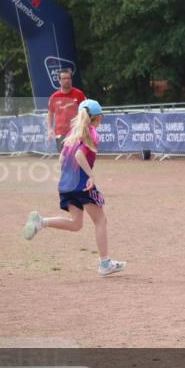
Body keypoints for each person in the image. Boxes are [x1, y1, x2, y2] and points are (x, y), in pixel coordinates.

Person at [24, 99, 127, 277]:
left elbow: (62, 159)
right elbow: (80, 155)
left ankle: (42, 222)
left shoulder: (71, 135)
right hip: (81, 183)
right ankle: (105, 263)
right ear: (97, 118)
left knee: (76, 223)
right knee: (100, 221)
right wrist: (91, 175)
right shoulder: (92, 133)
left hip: (66, 185)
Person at [47, 68, 86, 151]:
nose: (67, 80)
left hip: (76, 131)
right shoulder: (54, 97)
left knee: (77, 156)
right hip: (61, 133)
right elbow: (50, 114)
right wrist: (50, 129)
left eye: (68, 78)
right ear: (59, 80)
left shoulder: (79, 94)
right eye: (64, 78)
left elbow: (86, 110)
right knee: (64, 158)